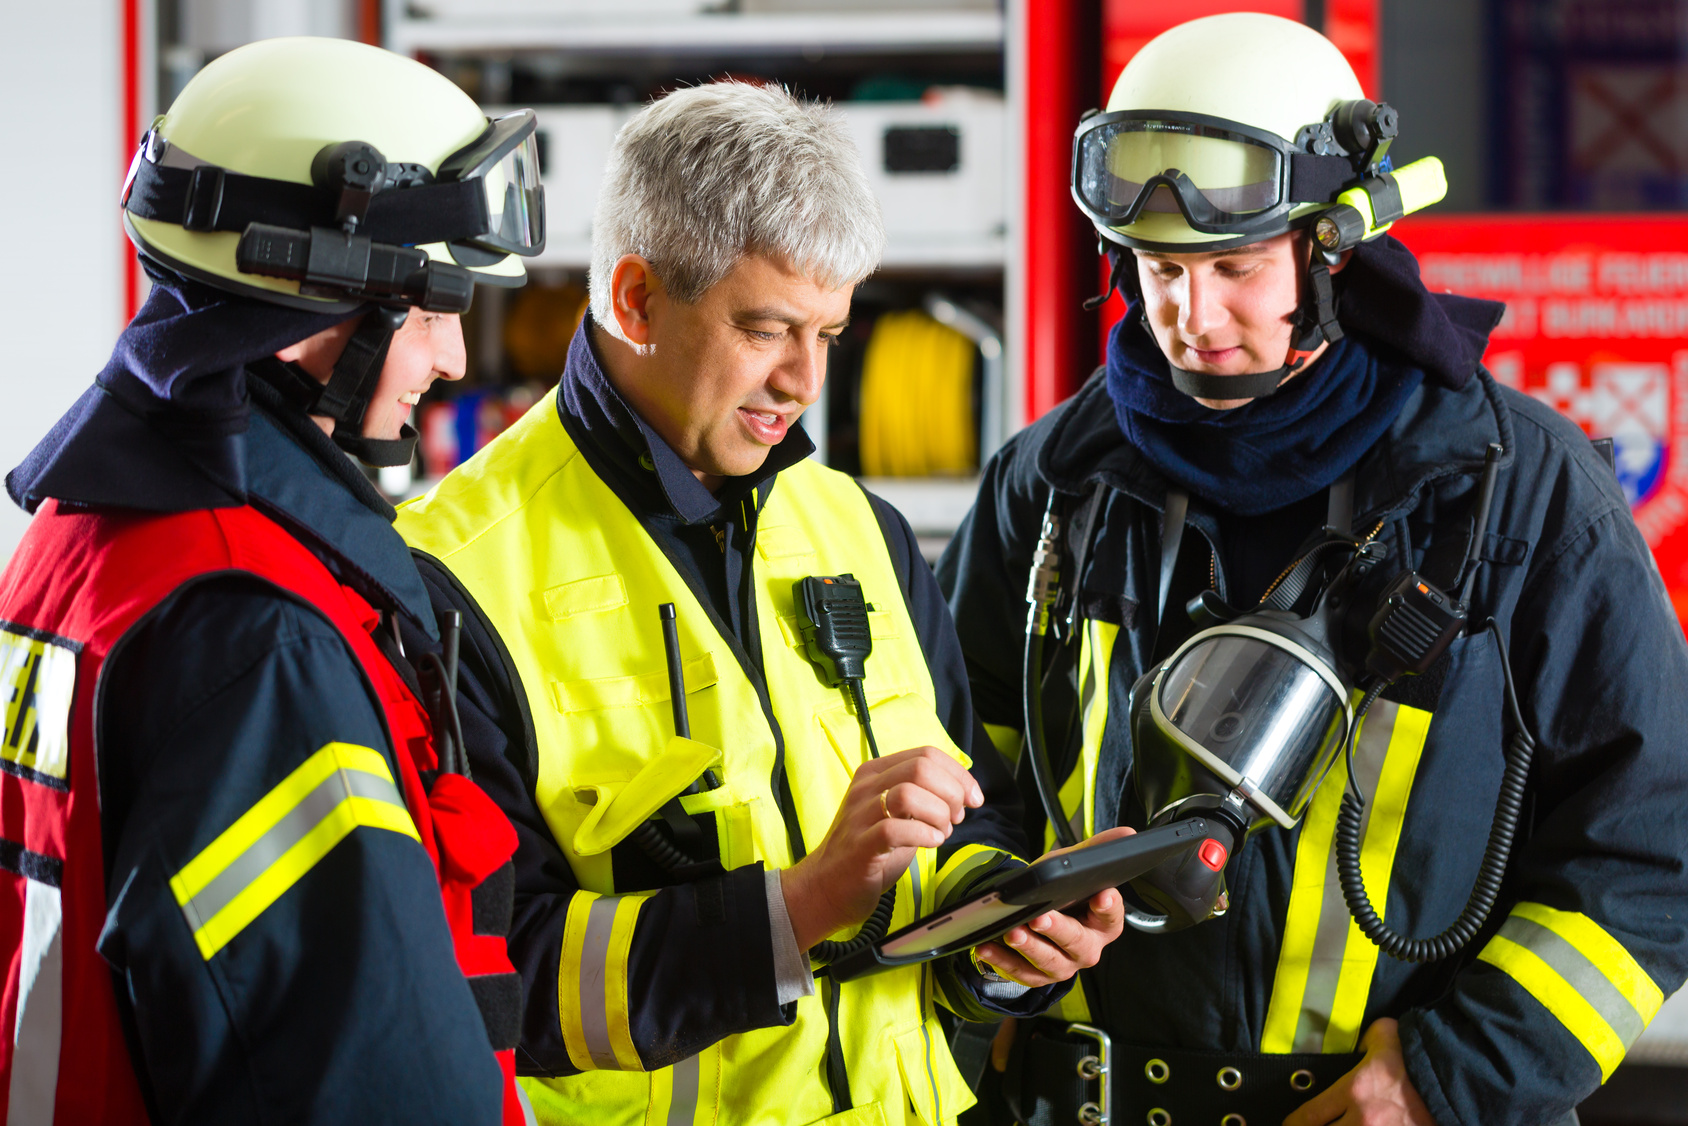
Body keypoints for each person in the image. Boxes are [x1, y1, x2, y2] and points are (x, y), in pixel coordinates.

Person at [938, 13, 1688, 1126]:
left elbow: (1652, 840)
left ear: (1332, 249)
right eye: (1157, 269)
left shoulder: (1514, 492)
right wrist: (985, 928)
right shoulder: (1053, 481)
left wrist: (1448, 1078)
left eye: (1234, 268)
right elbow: (953, 777)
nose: (1191, 318)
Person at [394, 80, 1125, 1126]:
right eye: (768, 327)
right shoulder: (449, 576)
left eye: (828, 331)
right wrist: (793, 912)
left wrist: (1009, 938)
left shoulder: (860, 531)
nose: (804, 379)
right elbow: (480, 982)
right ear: (636, 299)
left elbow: (974, 815)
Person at [0, 37, 549, 1124]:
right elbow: (362, 1069)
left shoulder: (80, 538)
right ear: (315, 311)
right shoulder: (259, 636)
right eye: (434, 309)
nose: (450, 359)